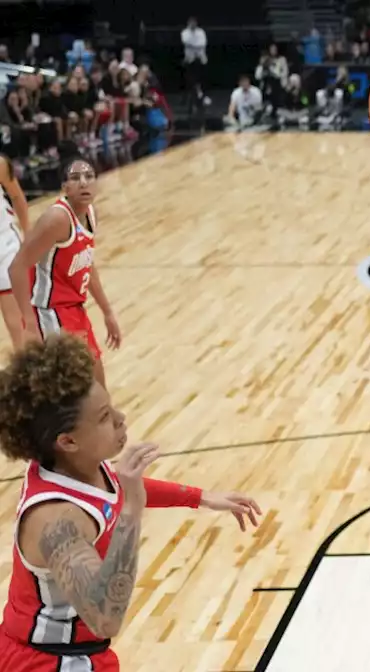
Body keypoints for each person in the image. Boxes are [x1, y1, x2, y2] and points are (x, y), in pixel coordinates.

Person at [0, 335, 263, 671]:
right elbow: (105, 617)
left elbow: (116, 491)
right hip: (45, 661)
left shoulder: (77, 467)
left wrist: (200, 497)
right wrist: (132, 511)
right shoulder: (55, 520)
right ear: (67, 441)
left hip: (74, 651)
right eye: (105, 416)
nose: (122, 418)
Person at [7, 157, 120, 386]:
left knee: (99, 388)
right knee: (78, 394)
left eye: (89, 177)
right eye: (75, 178)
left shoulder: (91, 213)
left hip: (75, 310)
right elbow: (17, 268)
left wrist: (107, 312)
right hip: (51, 313)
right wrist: (29, 323)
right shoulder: (57, 219)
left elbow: (86, 263)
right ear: (64, 188)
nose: (83, 183)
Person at [0, 153, 31, 346]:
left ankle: (29, 370)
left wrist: (28, 233)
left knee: (16, 321)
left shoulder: (0, 163)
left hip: (5, 243)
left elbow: (17, 196)